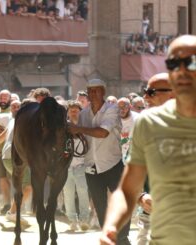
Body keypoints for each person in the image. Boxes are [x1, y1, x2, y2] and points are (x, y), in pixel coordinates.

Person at [100, 35, 196, 245]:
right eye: (174, 63)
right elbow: (128, 190)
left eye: (192, 62)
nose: (182, 70)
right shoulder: (149, 122)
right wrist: (111, 226)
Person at [69, 79, 130, 244]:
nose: (93, 94)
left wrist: (78, 129)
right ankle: (108, 238)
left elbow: (103, 133)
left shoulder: (113, 109)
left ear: (103, 92)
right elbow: (80, 137)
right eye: (90, 91)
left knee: (120, 203)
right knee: (100, 206)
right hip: (91, 166)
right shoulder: (83, 114)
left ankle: (123, 237)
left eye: (96, 91)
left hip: (113, 163)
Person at [136, 72, 173, 245]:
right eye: (145, 91)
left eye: (151, 92)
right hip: (149, 215)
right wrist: (141, 196)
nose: (145, 97)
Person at [63, 100, 90, 231]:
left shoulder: (85, 125)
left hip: (82, 164)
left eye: (76, 110)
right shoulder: (63, 126)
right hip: (66, 165)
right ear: (67, 112)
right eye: (71, 110)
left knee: (83, 192)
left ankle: (84, 219)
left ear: (80, 111)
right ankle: (73, 220)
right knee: (68, 193)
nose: (73, 112)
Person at [116, 97, 138, 163]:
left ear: (130, 106)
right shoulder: (113, 119)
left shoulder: (138, 118)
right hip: (117, 159)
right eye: (119, 107)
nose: (121, 109)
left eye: (124, 106)